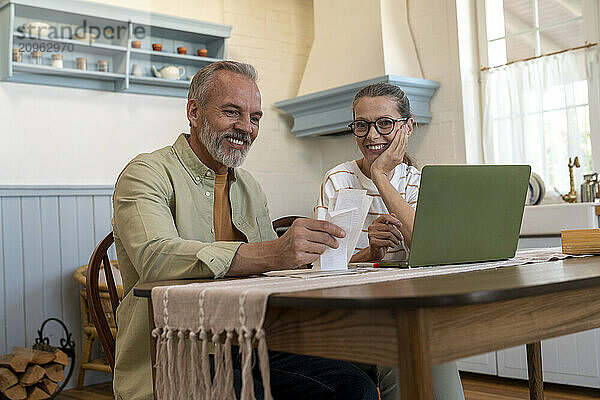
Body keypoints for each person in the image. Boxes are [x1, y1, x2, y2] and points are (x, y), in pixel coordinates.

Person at [112, 61, 379, 400]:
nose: (246, 128)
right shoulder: (145, 173)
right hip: (174, 358)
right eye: (232, 112)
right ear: (194, 112)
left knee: (355, 381)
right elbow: (156, 258)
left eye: (255, 118)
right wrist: (275, 252)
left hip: (247, 347)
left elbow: (270, 274)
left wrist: (310, 258)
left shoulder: (249, 186)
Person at [315, 82, 465, 400]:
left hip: (411, 311)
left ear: (407, 127)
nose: (372, 136)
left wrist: (380, 176)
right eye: (362, 125)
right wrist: (372, 252)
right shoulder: (337, 180)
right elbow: (325, 268)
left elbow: (427, 247)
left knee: (424, 348)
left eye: (385, 123)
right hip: (355, 314)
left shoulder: (420, 182)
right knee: (408, 349)